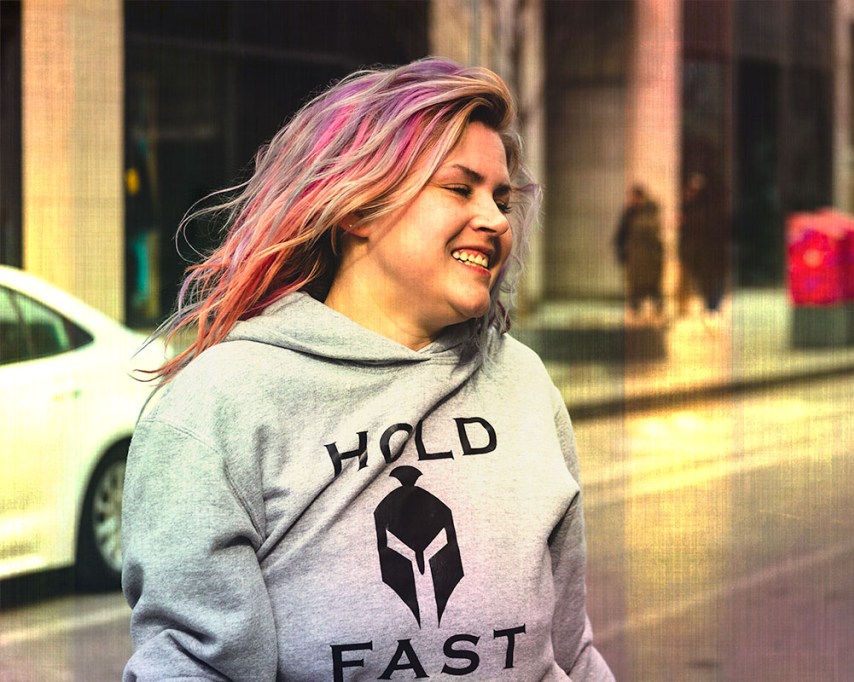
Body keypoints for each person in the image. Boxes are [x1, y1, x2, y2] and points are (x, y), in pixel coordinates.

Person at [121, 57, 614, 682]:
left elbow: (569, 655)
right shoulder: (221, 406)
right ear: (357, 208)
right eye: (459, 188)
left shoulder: (523, 384)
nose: (494, 219)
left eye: (500, 197)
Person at [678, 170, 729, 319]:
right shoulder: (692, 208)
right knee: (708, 281)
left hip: (709, 253)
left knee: (712, 280)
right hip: (703, 254)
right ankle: (711, 307)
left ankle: (712, 307)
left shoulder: (701, 209)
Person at [613, 184, 664, 321]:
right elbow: (620, 236)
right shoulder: (629, 214)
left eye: (634, 197)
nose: (631, 200)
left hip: (649, 259)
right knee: (635, 289)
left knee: (652, 288)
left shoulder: (649, 214)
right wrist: (622, 254)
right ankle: (635, 317)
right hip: (634, 259)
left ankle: (656, 317)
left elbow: (655, 238)